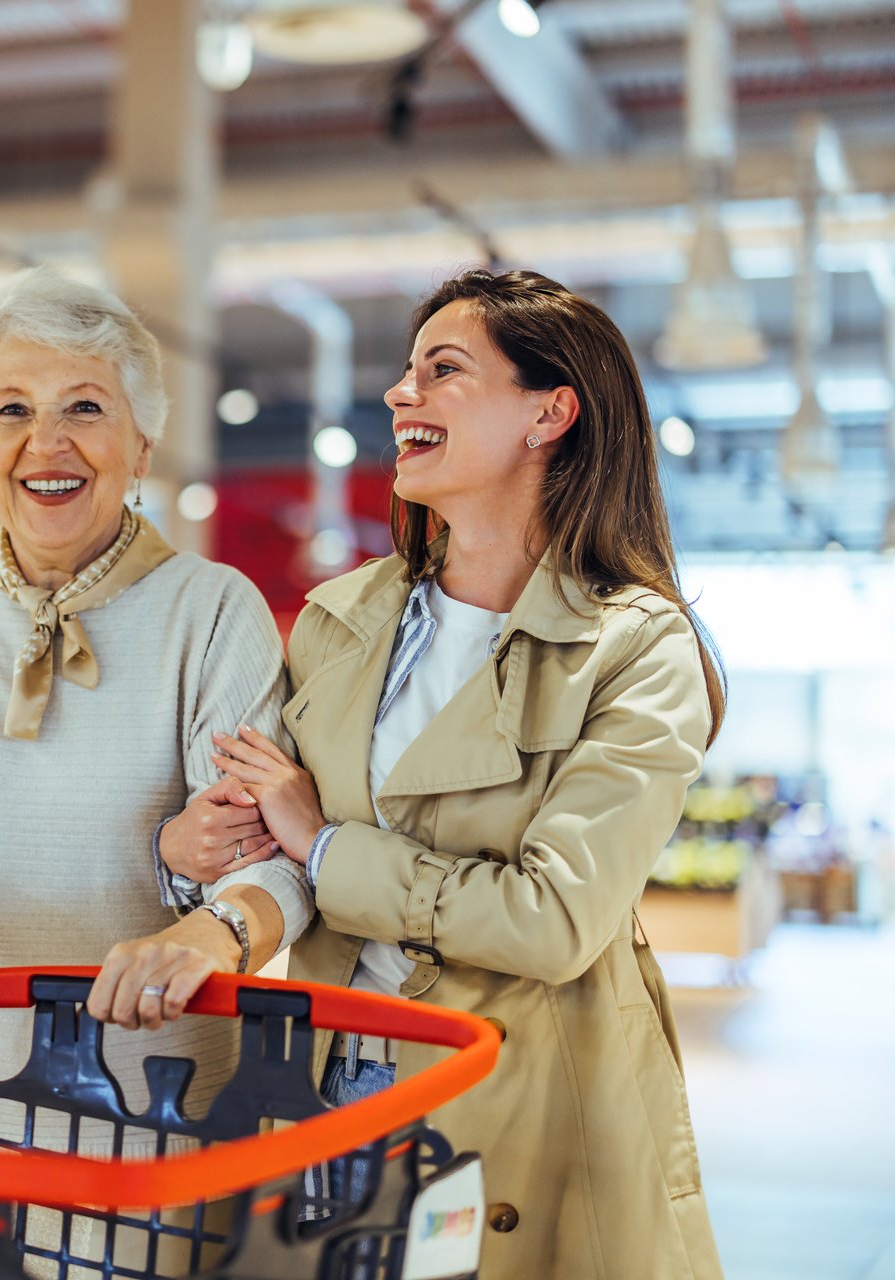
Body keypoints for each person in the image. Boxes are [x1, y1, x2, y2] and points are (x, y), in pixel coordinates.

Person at [162, 269, 726, 1278]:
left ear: (550, 412)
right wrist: (198, 851)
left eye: (444, 369)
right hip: (338, 1078)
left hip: (533, 1096)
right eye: (405, 369)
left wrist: (328, 842)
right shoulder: (340, 621)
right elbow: (270, 845)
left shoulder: (637, 647)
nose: (399, 393)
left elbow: (554, 920)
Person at [0, 265, 314, 1177]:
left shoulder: (211, 610)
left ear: (141, 444)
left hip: (152, 1116)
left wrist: (207, 935)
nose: (46, 442)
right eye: (11, 411)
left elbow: (271, 863)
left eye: (84, 408)